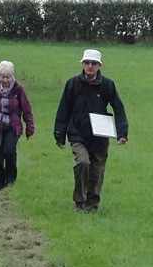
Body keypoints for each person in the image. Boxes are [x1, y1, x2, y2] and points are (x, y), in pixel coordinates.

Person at [54, 49, 128, 212]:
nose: (90, 66)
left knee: (97, 171)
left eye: (93, 63)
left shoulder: (108, 85)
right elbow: (63, 109)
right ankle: (80, 201)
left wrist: (122, 134)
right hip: (77, 132)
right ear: (82, 64)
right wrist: (59, 135)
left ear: (99, 66)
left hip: (100, 135)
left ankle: (92, 204)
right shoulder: (72, 83)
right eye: (87, 63)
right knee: (83, 162)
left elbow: (119, 109)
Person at [0, 61, 35, 190]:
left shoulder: (18, 89)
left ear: (12, 76)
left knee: (9, 151)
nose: (5, 80)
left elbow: (26, 108)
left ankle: (10, 179)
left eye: (8, 77)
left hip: (12, 126)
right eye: (3, 77)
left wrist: (30, 126)